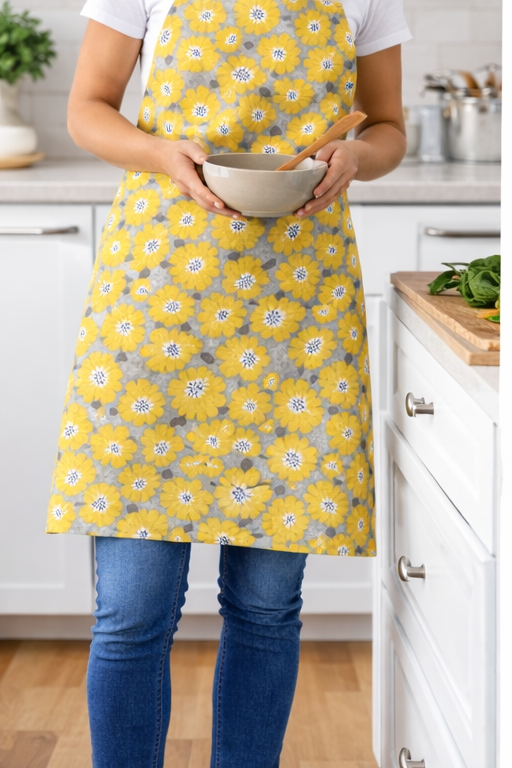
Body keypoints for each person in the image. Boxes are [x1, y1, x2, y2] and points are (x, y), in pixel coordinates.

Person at [46, 0, 411, 765]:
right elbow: (87, 109)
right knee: (132, 611)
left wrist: (358, 159)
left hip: (296, 316)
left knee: (267, 608)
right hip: (158, 302)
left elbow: (385, 126)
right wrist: (160, 154)